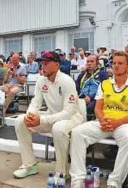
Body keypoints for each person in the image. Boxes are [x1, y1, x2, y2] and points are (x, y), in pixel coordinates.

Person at [13, 51, 84, 182]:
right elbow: (35, 102)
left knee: (58, 128)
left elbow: (68, 112)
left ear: (56, 65)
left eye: (46, 63)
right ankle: (29, 165)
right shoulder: (41, 80)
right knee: (20, 121)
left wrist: (41, 119)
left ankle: (61, 173)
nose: (42, 66)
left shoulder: (67, 81)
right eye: (41, 63)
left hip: (73, 119)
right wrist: (30, 115)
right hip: (52, 117)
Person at [70, 51, 128, 188]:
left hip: (123, 123)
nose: (116, 66)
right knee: (77, 133)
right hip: (103, 122)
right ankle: (78, 179)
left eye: (120, 63)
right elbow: (97, 108)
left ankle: (114, 182)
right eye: (114, 63)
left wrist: (117, 122)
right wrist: (102, 121)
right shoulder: (104, 84)